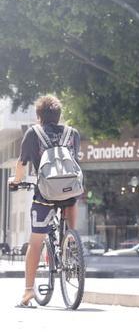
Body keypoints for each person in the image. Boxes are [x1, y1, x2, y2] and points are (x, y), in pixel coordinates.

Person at [7, 95, 81, 308]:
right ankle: (72, 244)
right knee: (71, 214)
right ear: (59, 116)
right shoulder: (72, 133)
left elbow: (22, 163)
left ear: (39, 116)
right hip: (70, 193)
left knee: (36, 242)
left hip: (45, 196)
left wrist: (16, 180)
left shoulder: (34, 133)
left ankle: (29, 292)